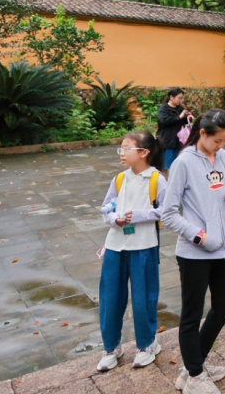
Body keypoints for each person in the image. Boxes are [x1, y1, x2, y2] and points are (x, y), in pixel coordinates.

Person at [160, 110, 225, 394]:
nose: (221, 146)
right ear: (202, 133)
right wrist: (199, 235)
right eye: (217, 140)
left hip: (223, 247)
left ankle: (193, 365)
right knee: (192, 314)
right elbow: (168, 213)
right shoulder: (183, 162)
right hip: (195, 252)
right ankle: (194, 375)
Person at [96, 131, 166, 373]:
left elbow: (167, 211)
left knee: (143, 298)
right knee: (110, 299)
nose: (122, 153)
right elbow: (106, 207)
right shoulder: (119, 179)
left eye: (127, 148)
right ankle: (111, 348)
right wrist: (114, 218)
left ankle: (147, 345)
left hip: (143, 247)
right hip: (115, 246)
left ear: (144, 153)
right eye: (121, 148)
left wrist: (139, 215)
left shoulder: (156, 179)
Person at [156, 88, 191, 175]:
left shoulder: (180, 109)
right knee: (165, 166)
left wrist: (187, 117)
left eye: (181, 98)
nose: (180, 100)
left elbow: (183, 123)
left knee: (177, 166)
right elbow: (163, 121)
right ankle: (164, 185)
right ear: (171, 97)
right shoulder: (163, 109)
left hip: (178, 142)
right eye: (179, 98)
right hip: (167, 142)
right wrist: (179, 117)